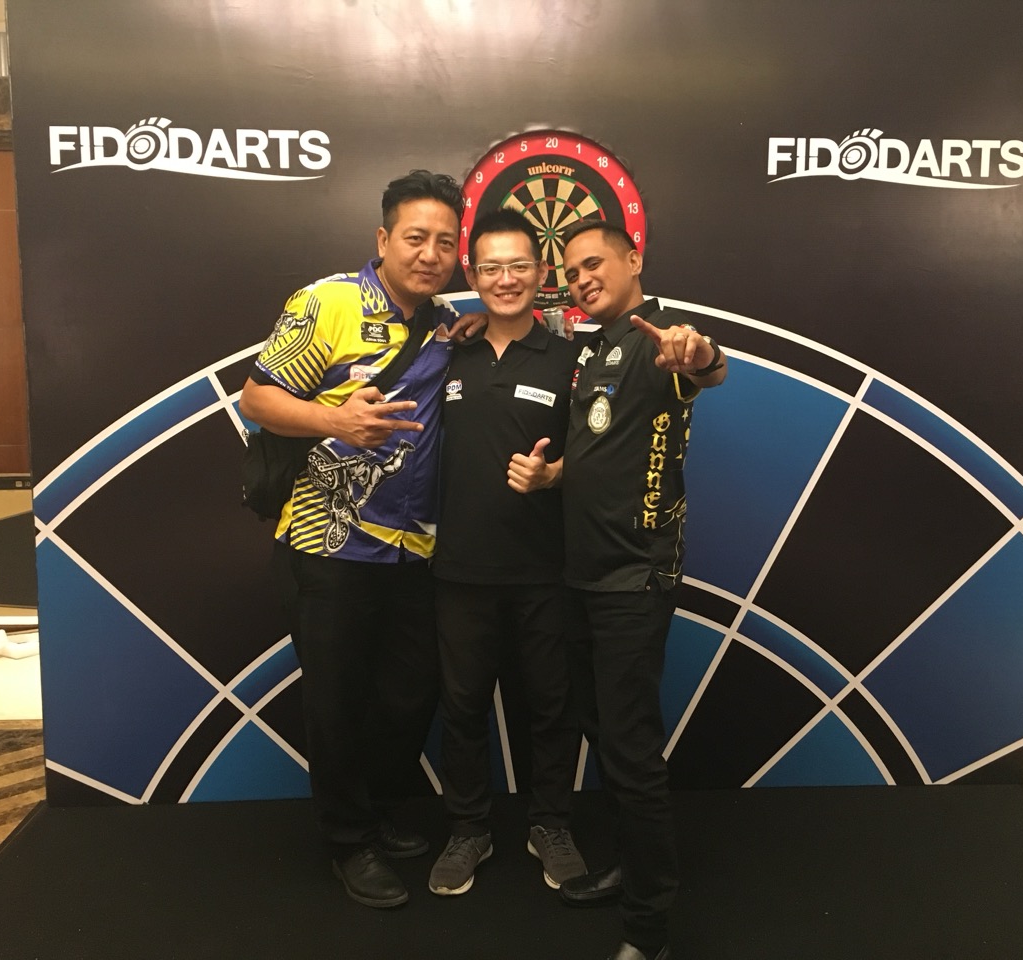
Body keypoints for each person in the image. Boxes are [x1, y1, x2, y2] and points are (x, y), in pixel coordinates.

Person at [238, 170, 464, 910]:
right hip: (325, 544)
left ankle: (376, 809)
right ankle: (348, 842)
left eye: (445, 242)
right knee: (335, 701)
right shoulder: (327, 302)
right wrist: (334, 420)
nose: (430, 254)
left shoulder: (444, 321)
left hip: (413, 550)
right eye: (416, 238)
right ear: (383, 238)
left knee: (409, 692)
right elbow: (257, 396)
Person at [514, 220, 726, 960]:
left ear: (635, 260)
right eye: (571, 272)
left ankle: (648, 926)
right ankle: (633, 869)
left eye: (594, 264)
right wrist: (553, 475)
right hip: (581, 575)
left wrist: (700, 354)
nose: (582, 279)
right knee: (603, 734)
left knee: (632, 753)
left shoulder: (660, 341)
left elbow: (706, 367)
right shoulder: (590, 349)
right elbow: (603, 452)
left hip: (634, 578)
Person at [426, 209, 587, 897]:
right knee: (462, 705)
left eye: (518, 265)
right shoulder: (446, 352)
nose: (505, 278)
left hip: (545, 568)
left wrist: (556, 474)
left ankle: (550, 823)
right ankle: (469, 828)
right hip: (459, 569)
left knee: (550, 704)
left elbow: (604, 454)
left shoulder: (569, 359)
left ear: (541, 272)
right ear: (473, 275)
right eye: (490, 267)